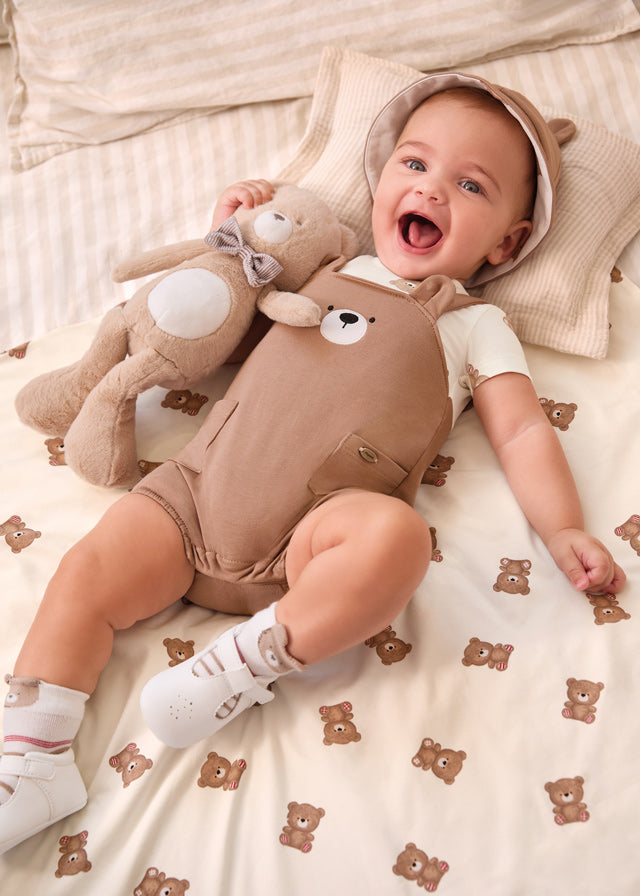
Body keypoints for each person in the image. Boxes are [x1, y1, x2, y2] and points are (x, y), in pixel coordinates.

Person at [0, 73, 625, 854]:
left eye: (470, 185)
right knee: (85, 572)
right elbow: (221, 318)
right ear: (381, 182)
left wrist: (563, 529)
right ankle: (32, 759)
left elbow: (525, 432)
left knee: (395, 538)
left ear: (505, 241)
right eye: (414, 164)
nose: (431, 189)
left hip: (312, 541)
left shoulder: (475, 324)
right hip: (192, 498)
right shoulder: (323, 264)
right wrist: (227, 232)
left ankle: (242, 665)